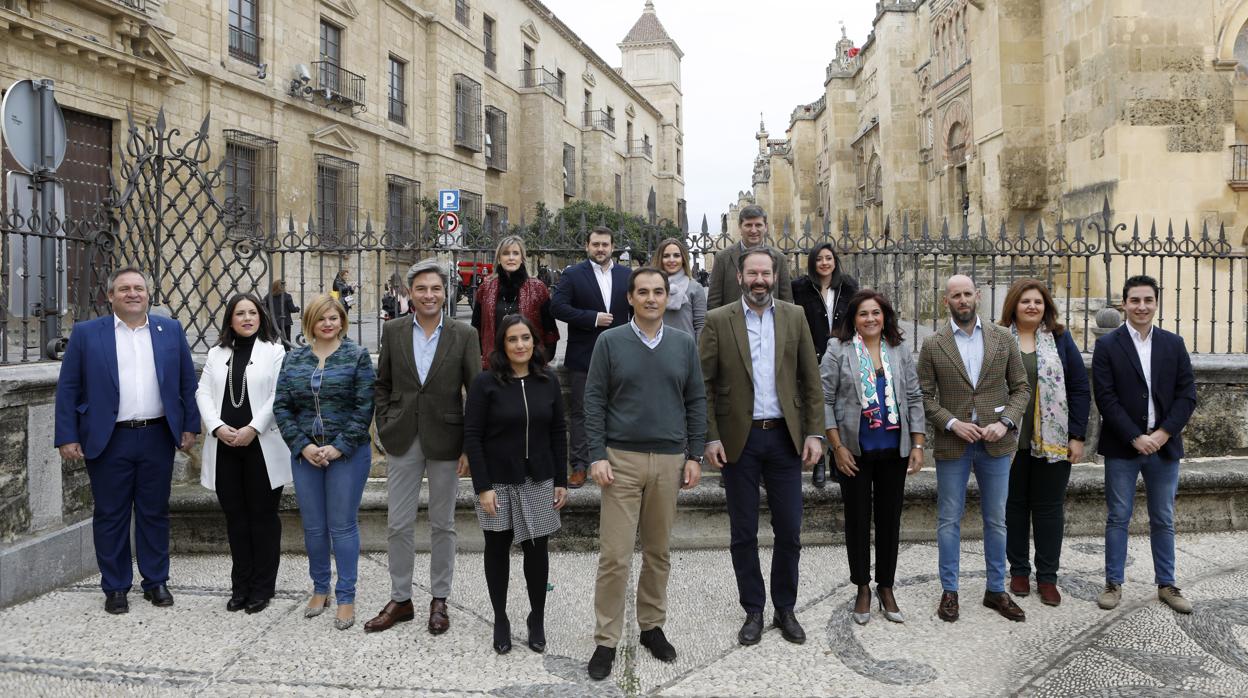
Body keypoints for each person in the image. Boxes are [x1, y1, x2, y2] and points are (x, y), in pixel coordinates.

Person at [583, 267, 706, 681]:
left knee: (658, 552)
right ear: (631, 298)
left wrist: (695, 456)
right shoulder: (610, 342)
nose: (652, 298)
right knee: (615, 555)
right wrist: (596, 455)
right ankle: (606, 638)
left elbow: (695, 400)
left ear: (667, 297)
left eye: (658, 291)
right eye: (643, 292)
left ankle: (651, 626)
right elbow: (594, 400)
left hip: (670, 460)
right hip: (621, 461)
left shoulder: (683, 344)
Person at [54, 267, 200, 614]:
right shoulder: (88, 333)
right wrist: (67, 435)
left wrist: (190, 426)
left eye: (139, 288)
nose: (133, 293)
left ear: (148, 294)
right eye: (124, 289)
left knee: (154, 512)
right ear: (110, 296)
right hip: (108, 439)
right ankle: (116, 587)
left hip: (156, 435)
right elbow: (69, 387)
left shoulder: (170, 330)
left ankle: (155, 581)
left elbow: (186, 382)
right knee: (111, 514)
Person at [701, 247, 823, 646]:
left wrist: (814, 433)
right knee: (743, 532)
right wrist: (711, 435)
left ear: (774, 276)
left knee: (789, 529)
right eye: (752, 273)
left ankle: (784, 608)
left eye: (765, 273)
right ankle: (753, 609)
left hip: (785, 439)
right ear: (740, 277)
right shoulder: (719, 321)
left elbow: (811, 380)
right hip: (740, 440)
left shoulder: (794, 316)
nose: (759, 280)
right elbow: (703, 385)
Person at [365, 260, 481, 636]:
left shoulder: (464, 334)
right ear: (410, 294)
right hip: (402, 438)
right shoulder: (394, 330)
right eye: (421, 289)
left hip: (447, 440)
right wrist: (385, 422)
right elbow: (381, 384)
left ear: (445, 292)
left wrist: (469, 446)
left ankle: (440, 599)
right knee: (398, 523)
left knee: (443, 524)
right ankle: (401, 598)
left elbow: (475, 394)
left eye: (435, 289)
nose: (429, 295)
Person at [917, 274, 1031, 624]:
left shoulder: (1002, 338)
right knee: (948, 519)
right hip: (954, 444)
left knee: (996, 520)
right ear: (946, 300)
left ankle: (996, 589)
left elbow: (1021, 389)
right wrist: (952, 423)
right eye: (956, 295)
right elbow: (922, 396)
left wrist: (1006, 423)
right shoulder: (934, 344)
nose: (962, 300)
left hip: (996, 443)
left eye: (967, 294)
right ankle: (949, 591)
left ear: (977, 296)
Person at [1092, 275, 1197, 614]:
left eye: (1147, 300)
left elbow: (1187, 395)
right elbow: (1105, 398)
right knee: (1118, 516)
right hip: (1124, 446)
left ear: (1155, 303)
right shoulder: (1108, 346)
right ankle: (1113, 583)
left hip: (1164, 446)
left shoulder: (1173, 343)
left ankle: (1166, 584)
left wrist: (1163, 434)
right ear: (1124, 304)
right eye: (1135, 300)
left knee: (1163, 517)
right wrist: (1134, 436)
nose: (1141, 306)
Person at [464, 315, 568, 655]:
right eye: (513, 339)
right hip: (497, 480)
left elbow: (557, 432)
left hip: (537, 479)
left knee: (537, 553)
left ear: (534, 342)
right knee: (497, 551)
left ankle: (536, 617)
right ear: (502, 345)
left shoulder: (547, 381)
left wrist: (561, 480)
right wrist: (482, 486)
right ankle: (500, 618)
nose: (521, 345)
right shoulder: (485, 383)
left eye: (526, 338)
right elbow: (473, 436)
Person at [821, 289, 926, 625]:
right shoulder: (838, 350)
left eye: (876, 313)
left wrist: (919, 445)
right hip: (854, 451)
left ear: (885, 317)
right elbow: (824, 401)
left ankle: (886, 586)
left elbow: (913, 397)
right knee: (857, 521)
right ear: (853, 318)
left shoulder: (898, 350)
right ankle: (862, 587)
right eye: (863, 313)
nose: (870, 319)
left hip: (893, 450)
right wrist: (837, 447)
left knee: (889, 520)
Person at [274, 293, 375, 630]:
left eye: (334, 318)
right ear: (310, 323)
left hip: (347, 453)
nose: (328, 323)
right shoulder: (294, 360)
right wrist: (302, 446)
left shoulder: (357, 356)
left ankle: (346, 595)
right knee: (314, 526)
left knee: (342, 525)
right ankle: (320, 588)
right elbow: (282, 407)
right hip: (306, 455)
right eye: (322, 318)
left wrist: (338, 446)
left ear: (342, 321)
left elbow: (364, 408)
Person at [196, 293, 292, 614]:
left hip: (261, 448)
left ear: (261, 317)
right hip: (225, 447)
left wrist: (253, 428)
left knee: (263, 520)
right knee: (236, 520)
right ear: (230, 320)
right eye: (241, 313)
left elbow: (280, 394)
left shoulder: (274, 352)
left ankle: (263, 588)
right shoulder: (215, 354)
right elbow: (203, 393)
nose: (248, 318)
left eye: (253, 312)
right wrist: (216, 427)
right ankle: (241, 586)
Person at [999, 279, 1090, 607]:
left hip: (1053, 440)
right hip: (1008, 440)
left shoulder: (1061, 340)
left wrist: (1077, 436)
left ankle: (1048, 577)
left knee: (1050, 509)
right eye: (1025, 301)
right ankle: (1019, 571)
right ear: (1014, 305)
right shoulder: (998, 338)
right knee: (1014, 507)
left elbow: (1080, 387)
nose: (1032, 307)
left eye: (1038, 301)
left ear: (1046, 306)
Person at [549, 226, 631, 489]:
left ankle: (616, 462)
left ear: (612, 246)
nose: (600, 249)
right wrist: (592, 318)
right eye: (595, 244)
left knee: (620, 410)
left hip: (620, 356)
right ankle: (580, 466)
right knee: (581, 412)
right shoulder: (573, 274)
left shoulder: (627, 275)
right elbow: (557, 307)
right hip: (584, 356)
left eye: (605, 245)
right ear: (587, 246)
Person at [792, 243, 859, 488]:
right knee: (816, 405)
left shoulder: (848, 285)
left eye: (828, 258)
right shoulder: (800, 287)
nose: (824, 263)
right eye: (819, 259)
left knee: (838, 404)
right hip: (811, 351)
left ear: (834, 261)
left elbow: (855, 315)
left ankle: (834, 458)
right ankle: (818, 460)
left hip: (841, 352)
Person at [473, 235, 559, 366]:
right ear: (499, 259)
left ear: (522, 259)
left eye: (515, 253)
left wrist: (542, 359)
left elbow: (550, 331)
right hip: (494, 365)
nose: (511, 258)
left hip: (530, 365)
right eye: (506, 253)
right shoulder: (485, 288)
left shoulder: (537, 288)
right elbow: (476, 327)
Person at [706, 205, 793, 310]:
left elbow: (786, 302)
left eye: (758, 225)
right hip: (732, 325)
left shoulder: (779, 258)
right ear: (740, 227)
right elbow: (714, 303)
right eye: (748, 225)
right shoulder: (722, 258)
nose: (753, 230)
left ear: (766, 227)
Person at [653, 237, 707, 342]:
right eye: (666, 256)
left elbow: (701, 325)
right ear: (660, 259)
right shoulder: (650, 288)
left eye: (676, 255)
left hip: (685, 350)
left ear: (683, 259)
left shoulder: (694, 288)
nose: (671, 260)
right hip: (654, 348)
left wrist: (697, 353)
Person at [262, 279, 299, 346]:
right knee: (286, 341)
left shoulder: (268, 296)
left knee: (272, 341)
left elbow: (263, 305)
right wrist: (297, 309)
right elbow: (292, 309)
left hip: (273, 322)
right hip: (285, 323)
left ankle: (271, 354)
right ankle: (286, 354)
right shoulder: (287, 296)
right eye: (285, 286)